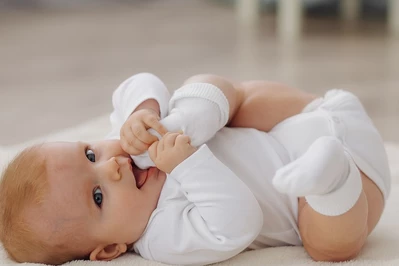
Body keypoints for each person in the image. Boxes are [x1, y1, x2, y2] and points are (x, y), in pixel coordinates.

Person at [0, 73, 390, 265]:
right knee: (328, 246)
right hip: (350, 190)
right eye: (98, 196)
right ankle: (331, 175)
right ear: (110, 250)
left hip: (304, 118)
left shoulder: (129, 142)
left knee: (224, 95)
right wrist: (187, 165)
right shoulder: (161, 237)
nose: (114, 165)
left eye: (89, 155)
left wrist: (146, 111)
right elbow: (239, 224)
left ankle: (196, 112)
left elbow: (138, 82)